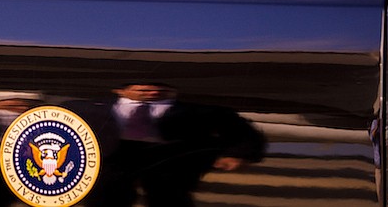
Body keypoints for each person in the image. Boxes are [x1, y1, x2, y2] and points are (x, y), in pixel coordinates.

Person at [78, 83, 265, 207]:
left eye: (161, 89)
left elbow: (240, 129)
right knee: (105, 199)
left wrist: (239, 153)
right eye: (143, 90)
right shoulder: (87, 107)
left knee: (170, 200)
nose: (153, 92)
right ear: (120, 90)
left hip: (171, 164)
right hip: (111, 161)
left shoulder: (199, 110)